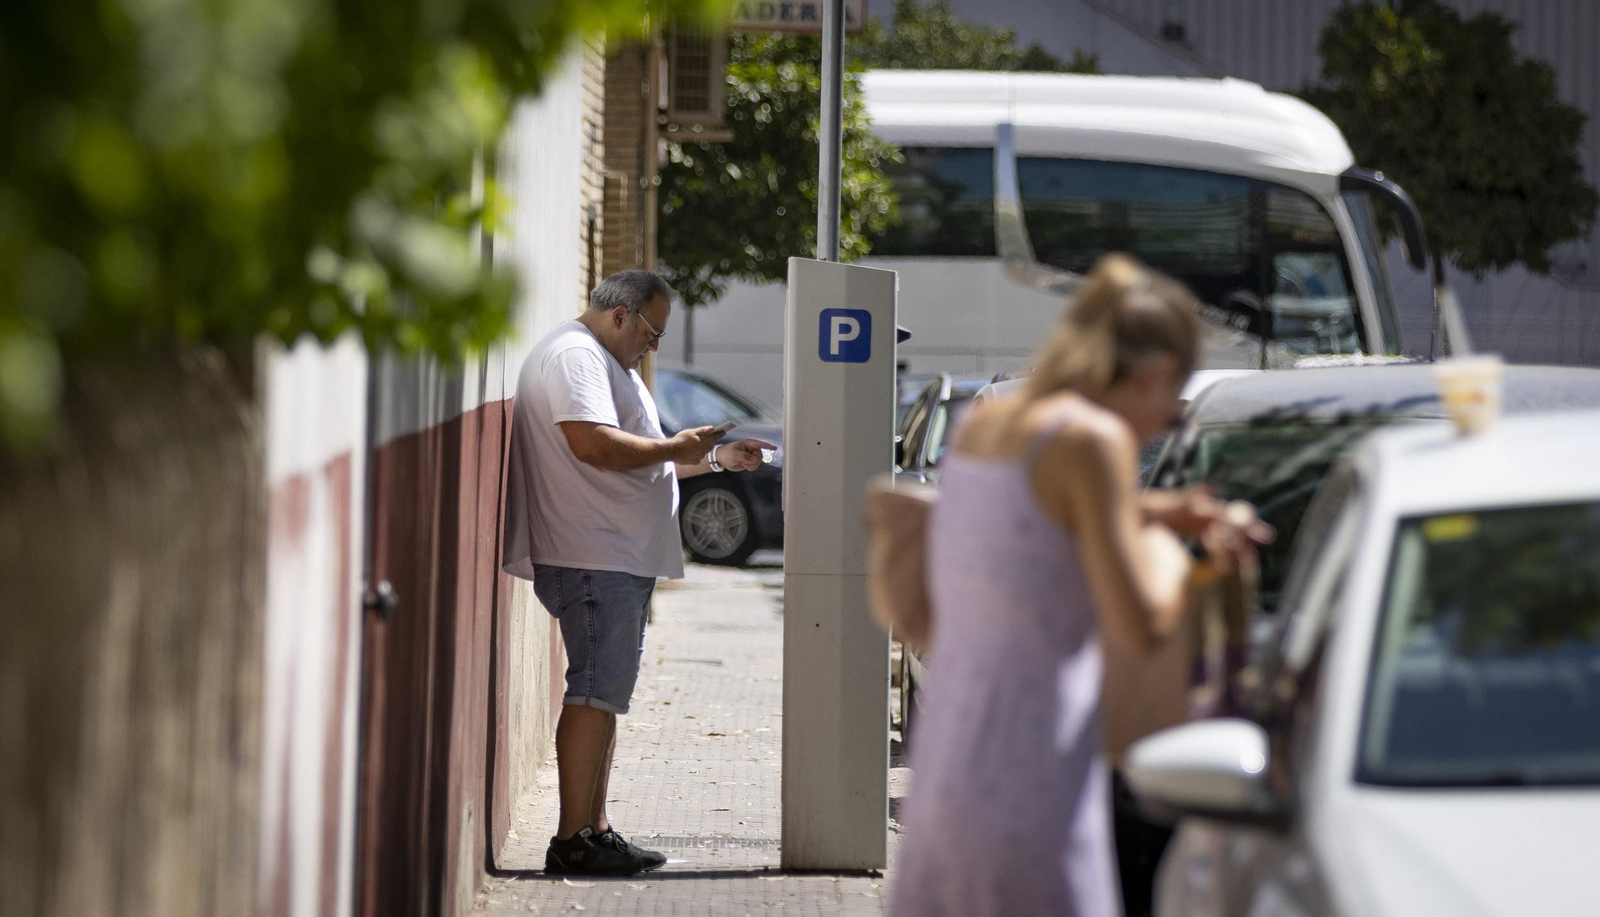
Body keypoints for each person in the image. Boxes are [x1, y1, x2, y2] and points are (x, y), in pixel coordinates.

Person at [889, 254, 1271, 916]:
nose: (1162, 424)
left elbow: (1037, 520)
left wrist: (1165, 508)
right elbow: (1138, 623)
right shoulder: (1093, 443)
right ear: (1153, 374)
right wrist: (1189, 565)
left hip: (957, 749)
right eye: (1170, 404)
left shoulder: (990, 424)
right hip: (1037, 761)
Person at [501, 269, 774, 876]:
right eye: (652, 331)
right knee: (595, 692)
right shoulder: (576, 356)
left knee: (606, 695)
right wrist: (677, 448)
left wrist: (711, 459)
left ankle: (594, 829)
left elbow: (639, 461)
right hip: (594, 554)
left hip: (611, 554)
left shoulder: (607, 363)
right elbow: (593, 445)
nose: (655, 345)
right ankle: (573, 838)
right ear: (621, 315)